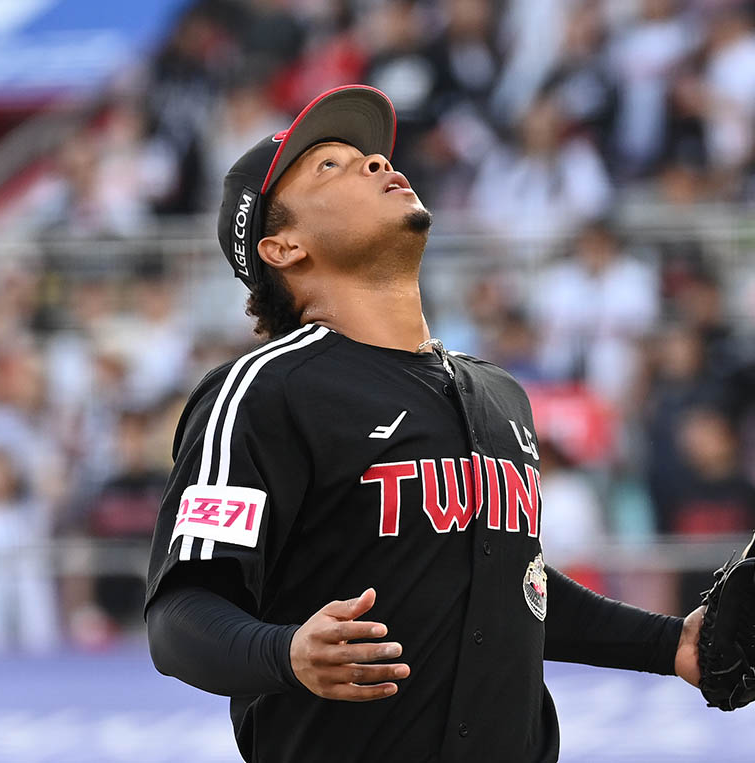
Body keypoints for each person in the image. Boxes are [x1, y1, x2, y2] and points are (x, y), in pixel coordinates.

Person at [143, 85, 705, 763]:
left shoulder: (499, 393)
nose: (376, 163)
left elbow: (510, 584)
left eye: (371, 156)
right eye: (330, 166)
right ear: (282, 246)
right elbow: (180, 615)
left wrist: (670, 644)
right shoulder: (264, 391)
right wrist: (286, 651)